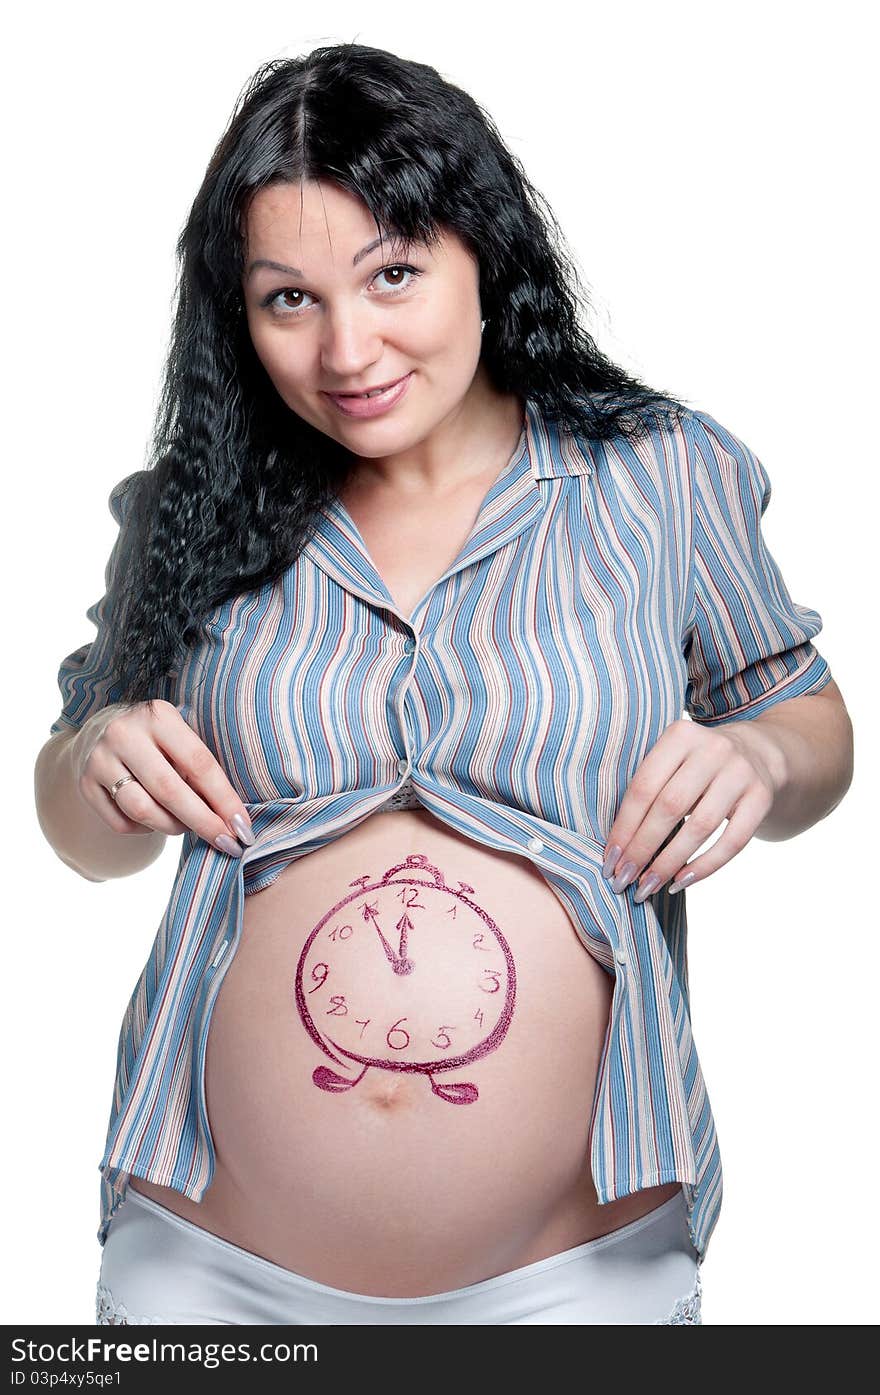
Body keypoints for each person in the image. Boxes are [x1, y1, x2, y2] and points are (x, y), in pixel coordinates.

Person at [34, 42, 852, 1326]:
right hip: (209, 1272)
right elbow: (85, 836)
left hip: (575, 1277)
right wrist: (90, 767)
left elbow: (809, 730)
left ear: (484, 256)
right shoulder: (191, 513)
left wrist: (760, 756)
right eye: (286, 300)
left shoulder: (660, 474)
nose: (347, 348)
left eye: (393, 275)